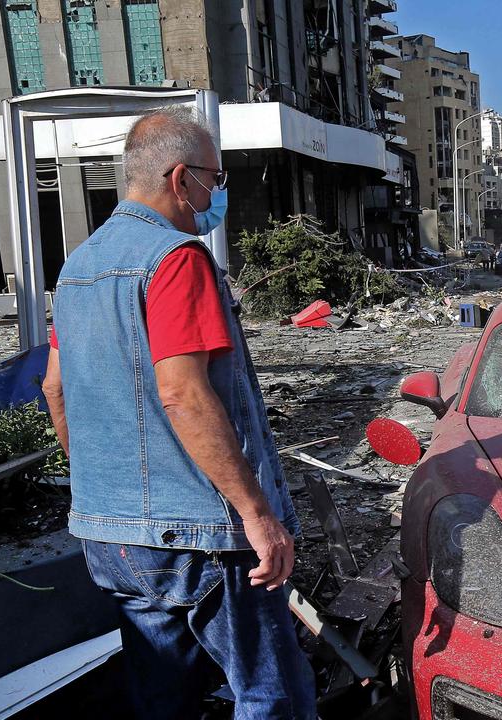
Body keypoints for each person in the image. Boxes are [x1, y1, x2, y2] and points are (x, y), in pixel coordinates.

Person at [41, 107, 315, 717]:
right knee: (272, 694)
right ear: (179, 177)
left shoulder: (76, 271)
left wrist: (107, 488)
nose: (214, 195)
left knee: (163, 694)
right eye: (214, 180)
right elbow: (184, 394)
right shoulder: (176, 260)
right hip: (197, 537)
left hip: (109, 537)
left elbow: (56, 390)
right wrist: (256, 514)